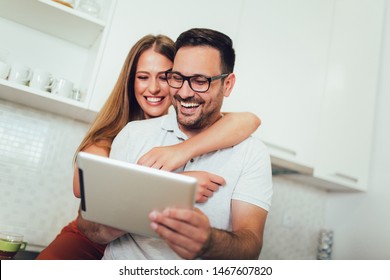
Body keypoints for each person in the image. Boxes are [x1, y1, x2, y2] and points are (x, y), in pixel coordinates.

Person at [36, 34, 261, 260]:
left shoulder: (190, 123)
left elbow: (248, 120)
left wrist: (181, 152)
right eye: (143, 77)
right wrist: (177, 185)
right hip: (86, 242)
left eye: (164, 77)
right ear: (131, 81)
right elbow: (86, 192)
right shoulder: (117, 134)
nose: (154, 88)